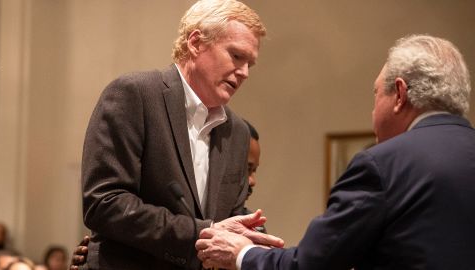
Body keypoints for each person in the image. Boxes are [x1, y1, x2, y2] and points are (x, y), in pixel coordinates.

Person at [195, 34, 475, 269]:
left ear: (400, 94)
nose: (373, 111)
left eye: (376, 94)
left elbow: (311, 265)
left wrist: (242, 253)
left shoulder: (384, 165)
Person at [81, 1, 281, 269]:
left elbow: (230, 215)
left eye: (250, 64)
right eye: (236, 56)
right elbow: (104, 203)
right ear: (196, 43)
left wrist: (257, 244)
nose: (244, 72)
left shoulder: (238, 131)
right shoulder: (134, 94)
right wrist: (202, 233)